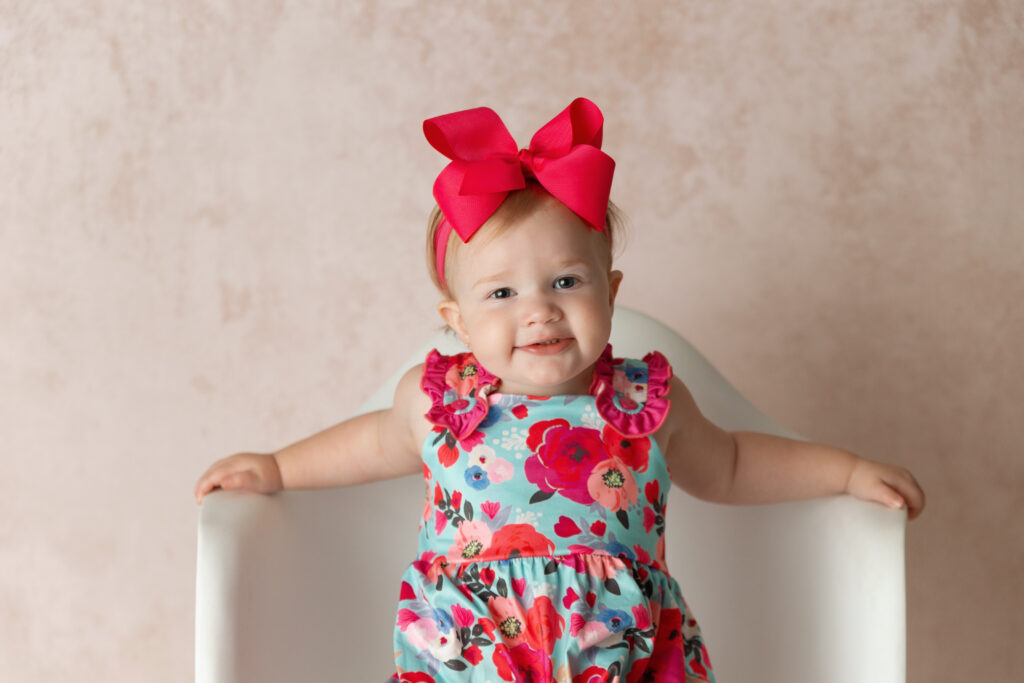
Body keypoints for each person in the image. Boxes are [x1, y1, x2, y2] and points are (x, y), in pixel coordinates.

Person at [194, 97, 925, 683]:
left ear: (610, 291)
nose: (538, 309)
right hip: (471, 658)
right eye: (502, 291)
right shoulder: (437, 400)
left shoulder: (647, 404)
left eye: (566, 282)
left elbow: (733, 463)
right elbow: (368, 444)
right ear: (457, 321)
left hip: (622, 657)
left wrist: (847, 471)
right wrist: (279, 466)